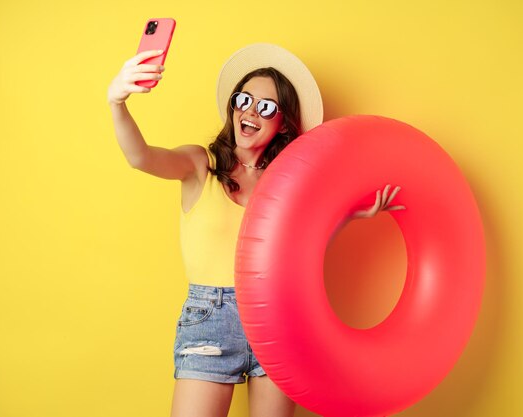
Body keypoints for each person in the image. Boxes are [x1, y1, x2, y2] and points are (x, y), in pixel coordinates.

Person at [107, 43, 403, 417]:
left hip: (279, 317)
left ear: (283, 123)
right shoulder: (201, 164)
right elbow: (140, 157)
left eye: (266, 107)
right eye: (243, 100)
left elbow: (300, 251)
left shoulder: (286, 183)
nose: (250, 111)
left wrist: (350, 216)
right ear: (232, 106)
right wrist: (117, 102)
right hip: (210, 318)